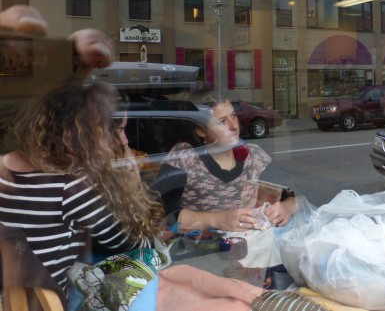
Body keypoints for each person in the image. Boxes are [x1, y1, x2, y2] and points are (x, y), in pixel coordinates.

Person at [0, 79, 164, 294]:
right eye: (119, 130)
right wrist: (134, 184)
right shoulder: (70, 188)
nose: (125, 140)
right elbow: (136, 247)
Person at [158, 97, 296, 233]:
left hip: (252, 247)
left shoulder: (253, 156)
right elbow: (162, 213)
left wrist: (287, 207)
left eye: (234, 116)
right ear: (201, 130)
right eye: (222, 121)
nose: (234, 126)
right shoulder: (185, 157)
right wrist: (218, 220)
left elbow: (289, 196)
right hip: (201, 252)